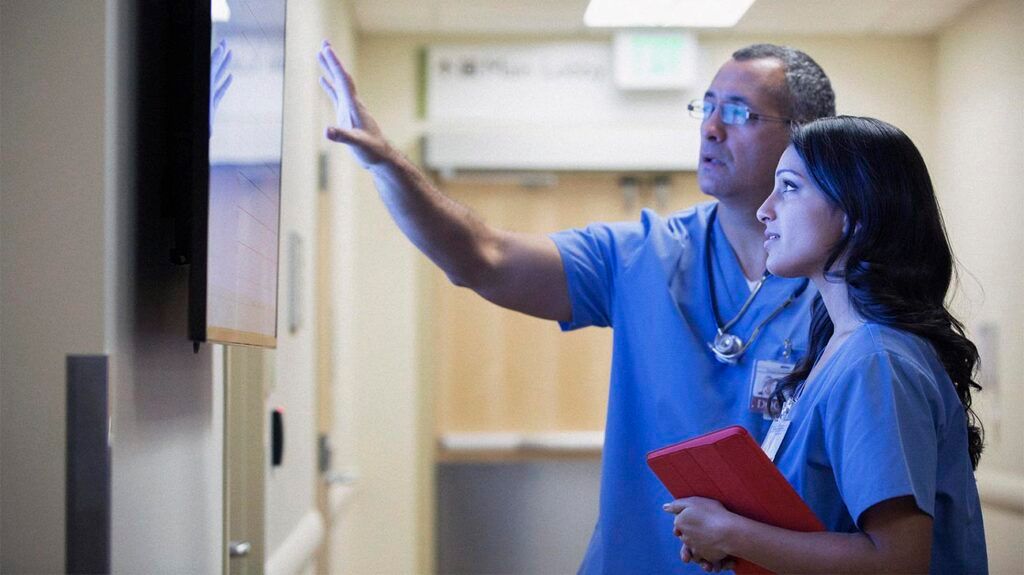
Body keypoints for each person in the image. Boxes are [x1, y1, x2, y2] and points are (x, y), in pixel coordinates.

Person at [317, 41, 835, 573]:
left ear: (807, 136)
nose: (709, 128)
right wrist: (385, 164)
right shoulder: (642, 254)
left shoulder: (844, 286)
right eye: (705, 107)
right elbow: (483, 259)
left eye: (737, 113)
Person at [664, 116, 987, 574]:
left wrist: (731, 532)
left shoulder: (877, 362)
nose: (765, 210)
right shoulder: (840, 351)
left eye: (789, 187)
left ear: (856, 214)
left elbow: (897, 561)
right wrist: (739, 540)